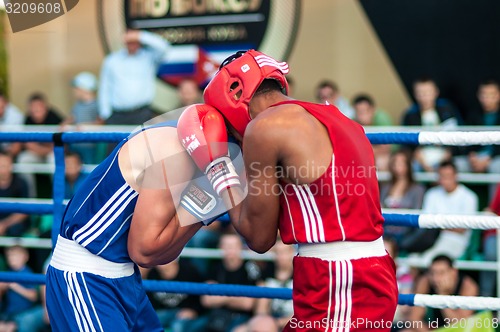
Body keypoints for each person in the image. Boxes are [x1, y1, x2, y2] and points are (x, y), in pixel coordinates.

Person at [177, 50, 398, 330]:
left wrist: (217, 168)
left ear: (232, 96)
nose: (232, 133)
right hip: (355, 273)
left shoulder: (265, 128)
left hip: (339, 279)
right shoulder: (336, 117)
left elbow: (258, 238)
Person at [45, 113, 230, 331]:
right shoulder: (174, 150)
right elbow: (144, 253)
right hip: (86, 275)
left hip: (125, 276)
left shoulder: (214, 152)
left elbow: (259, 240)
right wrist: (207, 204)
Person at [406, 161, 478, 266]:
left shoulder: (469, 197)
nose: (445, 180)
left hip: (455, 241)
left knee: (425, 261)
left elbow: (462, 229)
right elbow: (427, 223)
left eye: (448, 176)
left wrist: (437, 225)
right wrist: (448, 225)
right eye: (442, 176)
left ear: (456, 176)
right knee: (411, 260)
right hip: (430, 240)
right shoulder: (432, 194)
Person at [98, 29, 170, 125]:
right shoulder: (112, 60)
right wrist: (105, 114)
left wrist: (141, 36)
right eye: (129, 41)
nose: (132, 44)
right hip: (117, 115)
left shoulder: (148, 57)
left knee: (141, 140)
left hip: (141, 113)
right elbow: (105, 87)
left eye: (134, 41)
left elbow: (164, 47)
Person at [402, 255, 478, 332]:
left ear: (454, 272)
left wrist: (443, 295)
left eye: (441, 273)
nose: (436, 278)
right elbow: (414, 318)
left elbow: (460, 325)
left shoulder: (468, 286)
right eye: (433, 273)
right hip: (432, 327)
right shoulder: (425, 282)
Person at [401, 78, 460, 172]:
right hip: (421, 158)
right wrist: (421, 161)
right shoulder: (410, 115)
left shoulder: (447, 109)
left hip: (446, 155)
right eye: (420, 93)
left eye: (428, 92)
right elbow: (408, 144)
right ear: (415, 94)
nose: (424, 97)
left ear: (436, 92)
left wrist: (447, 156)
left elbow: (455, 135)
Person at [64, 71, 102, 164]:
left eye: (77, 88)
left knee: (89, 167)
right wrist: (64, 125)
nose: (74, 91)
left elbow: (100, 123)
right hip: (76, 143)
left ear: (85, 89)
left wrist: (85, 127)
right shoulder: (77, 105)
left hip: (89, 145)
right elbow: (71, 118)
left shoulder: (96, 105)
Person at [0, 151, 30, 237]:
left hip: (14, 225)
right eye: (1, 165)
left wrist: (4, 224)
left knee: (15, 230)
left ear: (11, 166)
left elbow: (25, 210)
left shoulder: (21, 183)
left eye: (5, 165)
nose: (3, 169)